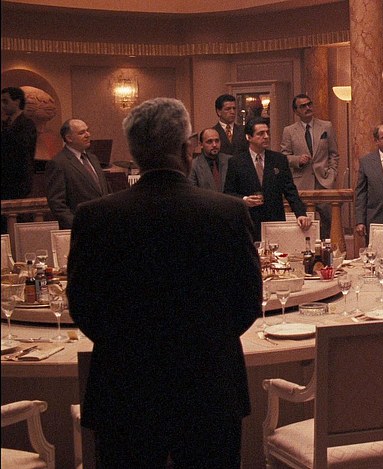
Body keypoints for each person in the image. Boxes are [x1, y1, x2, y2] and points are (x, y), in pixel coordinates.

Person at [67, 97, 261, 467]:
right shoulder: (227, 213)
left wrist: (130, 346)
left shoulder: (95, 217)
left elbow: (83, 307)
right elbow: (248, 302)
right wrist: (205, 340)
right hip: (210, 384)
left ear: (135, 153)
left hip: (125, 387)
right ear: (188, 148)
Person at [224, 116, 310, 240]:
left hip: (274, 221)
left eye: (267, 133)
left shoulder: (279, 160)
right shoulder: (236, 162)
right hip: (248, 221)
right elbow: (228, 192)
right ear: (249, 137)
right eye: (260, 133)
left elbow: (290, 190)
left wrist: (300, 214)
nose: (266, 136)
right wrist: (244, 200)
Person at [280, 94, 339, 239]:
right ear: (296, 111)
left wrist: (332, 173)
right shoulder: (289, 131)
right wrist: (297, 160)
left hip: (324, 182)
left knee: (327, 223)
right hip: (301, 183)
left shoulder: (326, 126)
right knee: (305, 223)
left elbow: (334, 153)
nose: (307, 108)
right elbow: (284, 157)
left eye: (309, 104)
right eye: (303, 106)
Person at [45, 119, 111, 228]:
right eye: (81, 133)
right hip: (81, 228)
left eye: (87, 130)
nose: (88, 135)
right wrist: (76, 225)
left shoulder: (93, 158)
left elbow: (103, 192)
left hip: (103, 224)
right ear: (69, 138)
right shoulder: (58, 163)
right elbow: (57, 203)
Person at [1, 86, 38, 201]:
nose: (2, 105)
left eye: (5, 101)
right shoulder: (6, 124)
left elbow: (21, 147)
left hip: (18, 181)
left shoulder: (27, 124)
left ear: (17, 101)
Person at [188, 127, 231, 192]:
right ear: (201, 144)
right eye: (209, 141)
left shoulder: (230, 161)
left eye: (217, 141)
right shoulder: (194, 165)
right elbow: (193, 192)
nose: (214, 145)